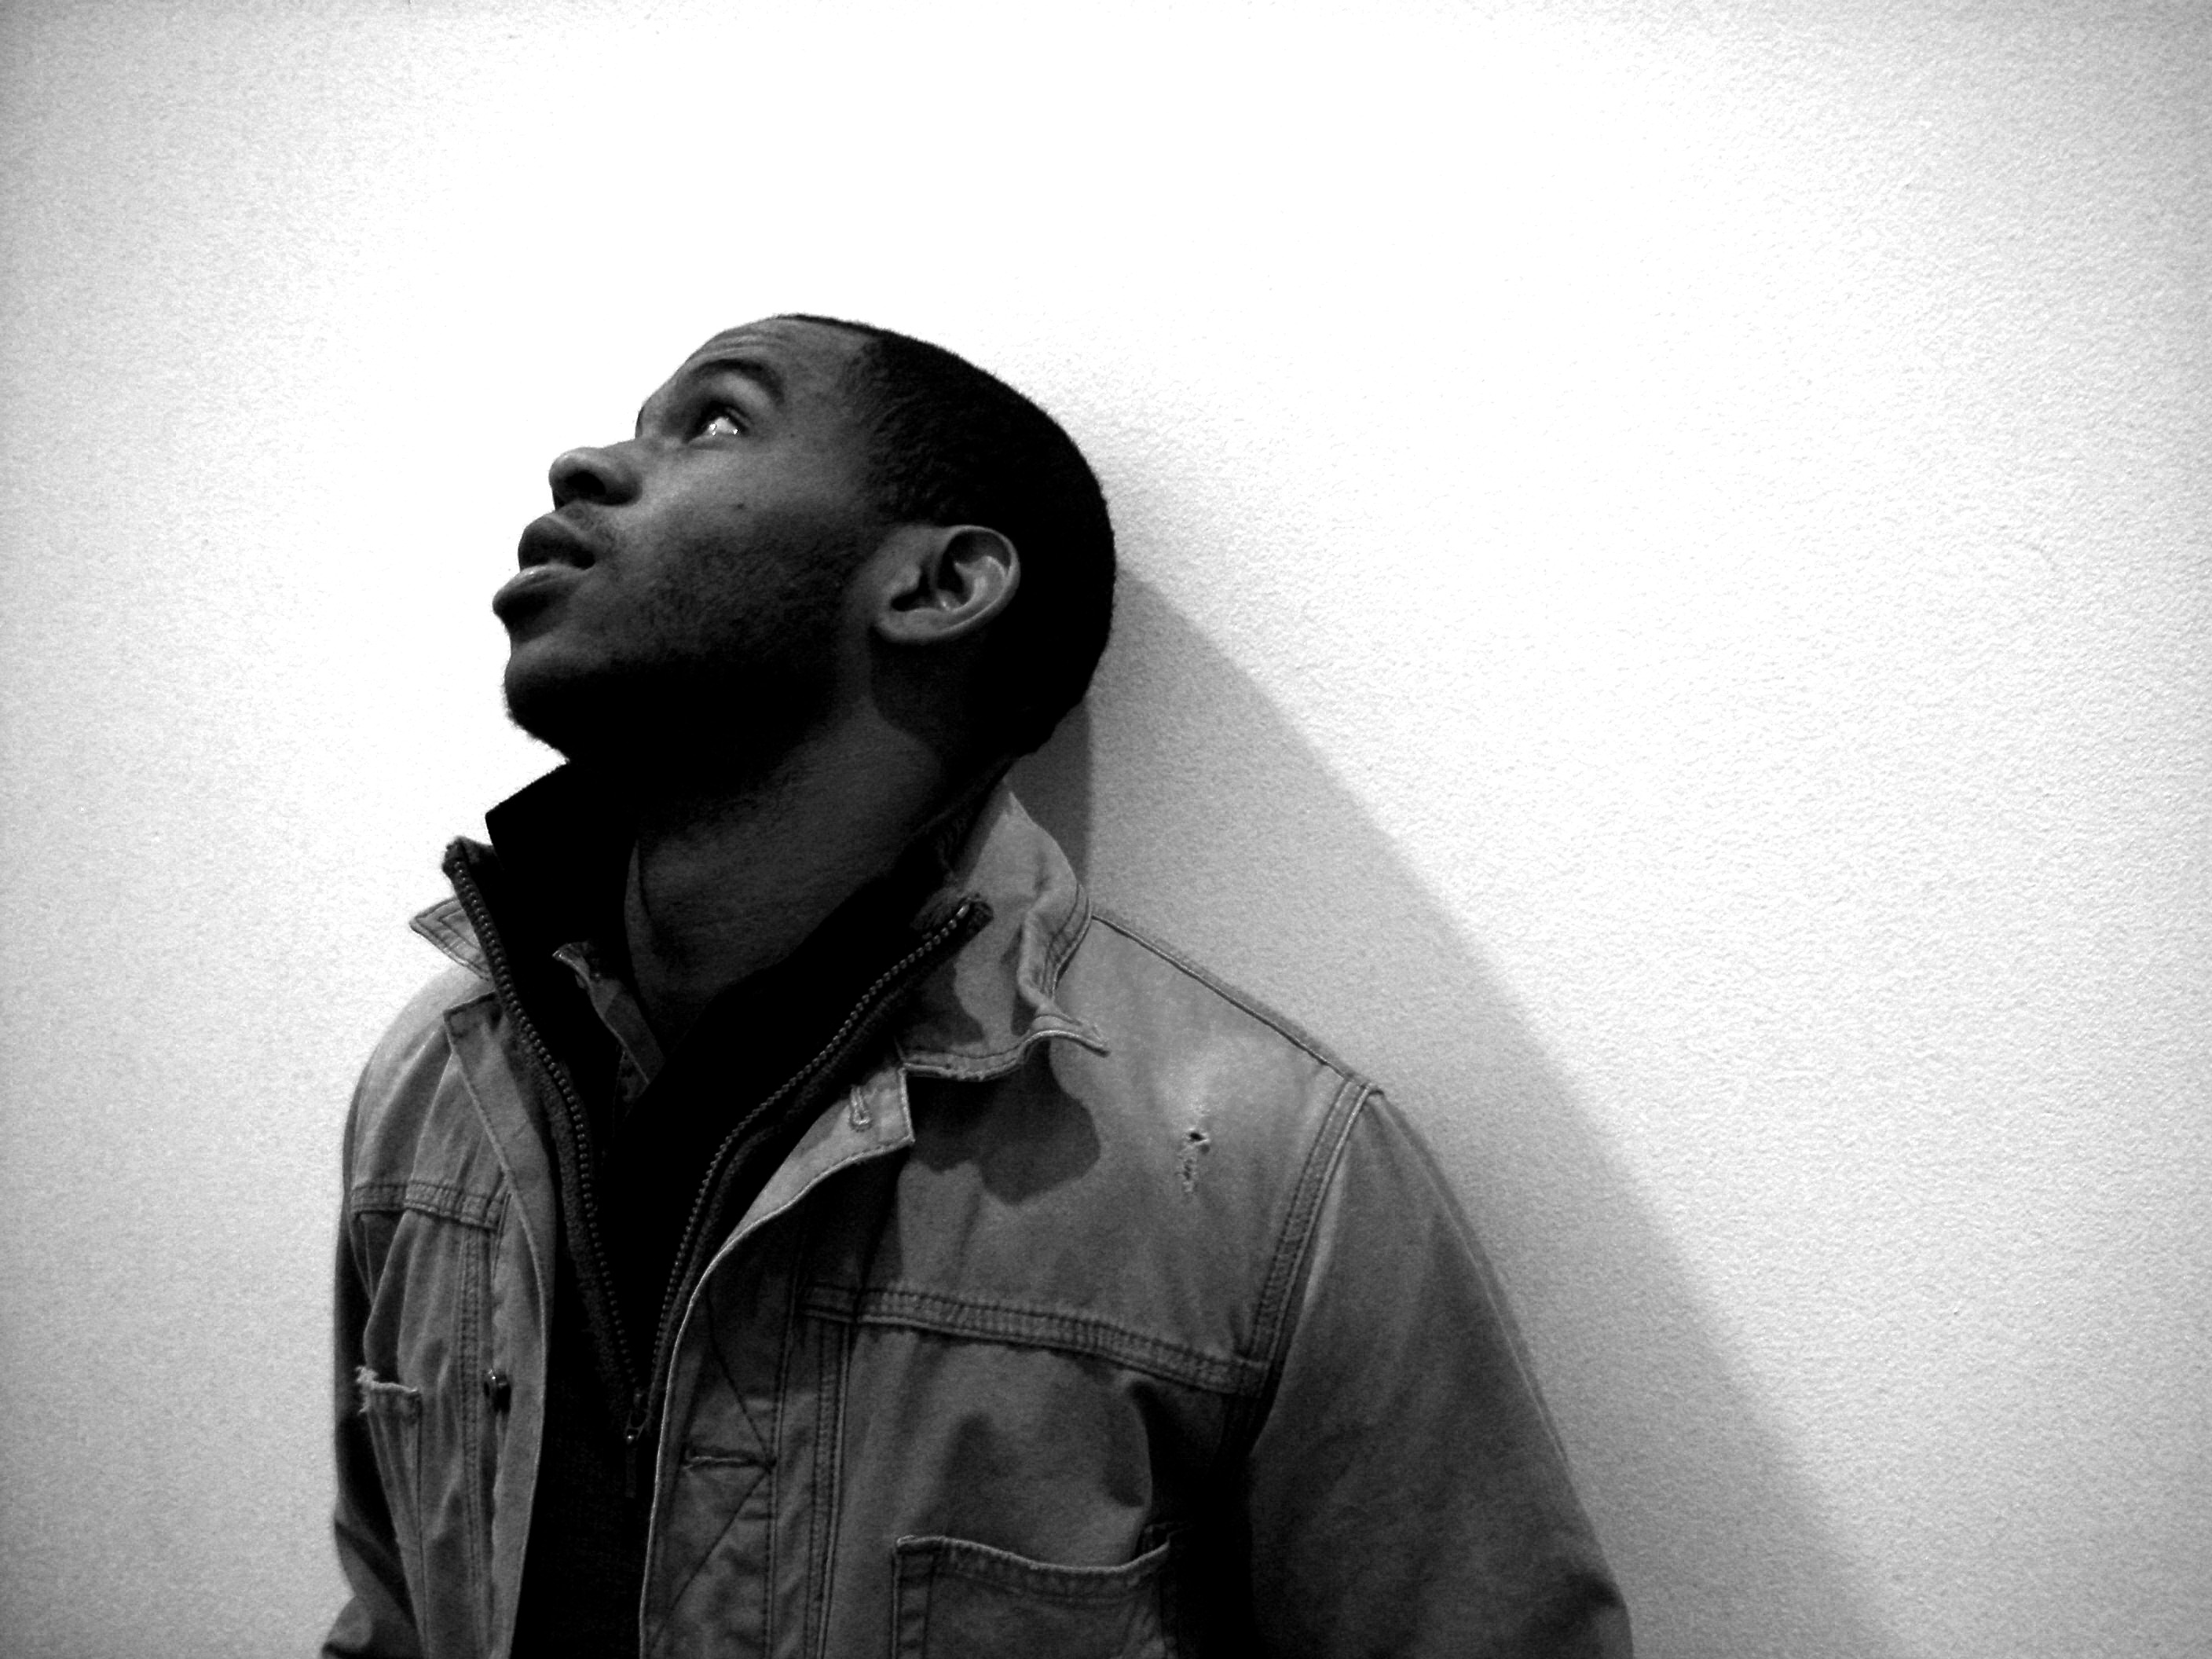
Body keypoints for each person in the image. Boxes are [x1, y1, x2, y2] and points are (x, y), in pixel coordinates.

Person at [325, 313, 1631, 1658]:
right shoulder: (441, 1080)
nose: (585, 463)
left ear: (943, 583)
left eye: (715, 420)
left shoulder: (1264, 1169)